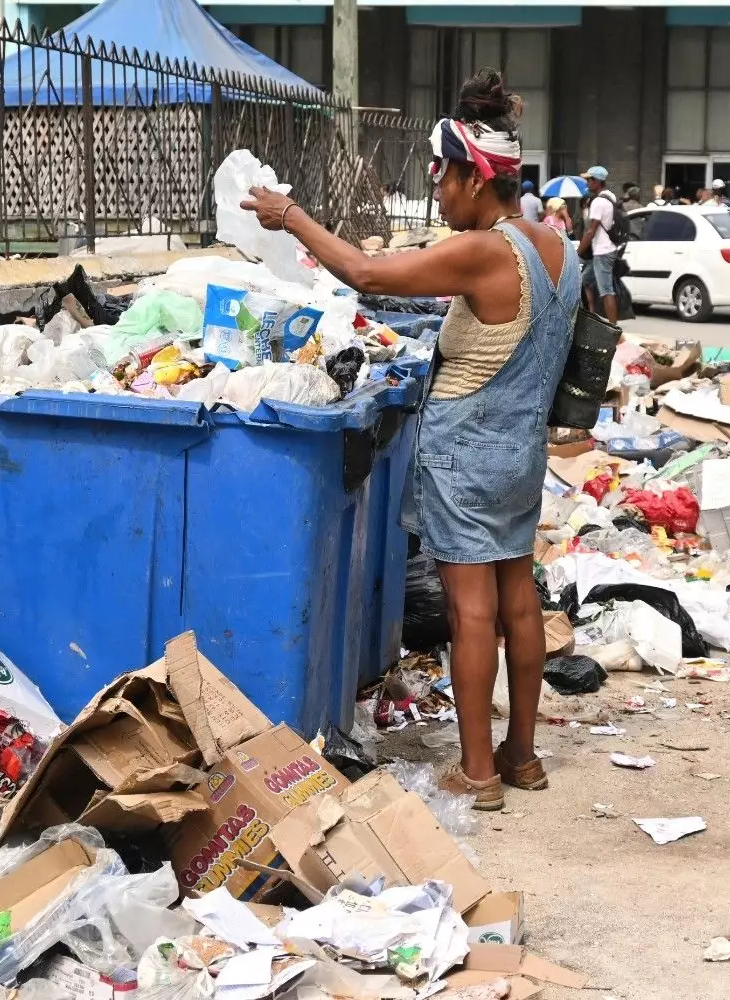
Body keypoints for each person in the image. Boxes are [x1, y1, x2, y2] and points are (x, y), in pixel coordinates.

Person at [242, 69, 578, 810]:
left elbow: (365, 273)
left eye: (442, 178)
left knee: (470, 612)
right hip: (522, 449)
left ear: (474, 177)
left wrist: (289, 215)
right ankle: (521, 757)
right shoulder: (557, 248)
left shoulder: (486, 250)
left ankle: (478, 772)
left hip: (468, 452)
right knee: (520, 599)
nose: (438, 192)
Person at [580, 164, 621, 322]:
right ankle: (590, 315)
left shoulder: (598, 201)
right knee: (585, 280)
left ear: (597, 181)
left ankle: (613, 328)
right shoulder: (610, 196)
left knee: (606, 291)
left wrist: (577, 253)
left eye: (589, 180)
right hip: (606, 249)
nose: (587, 183)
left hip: (602, 251)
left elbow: (591, 231)